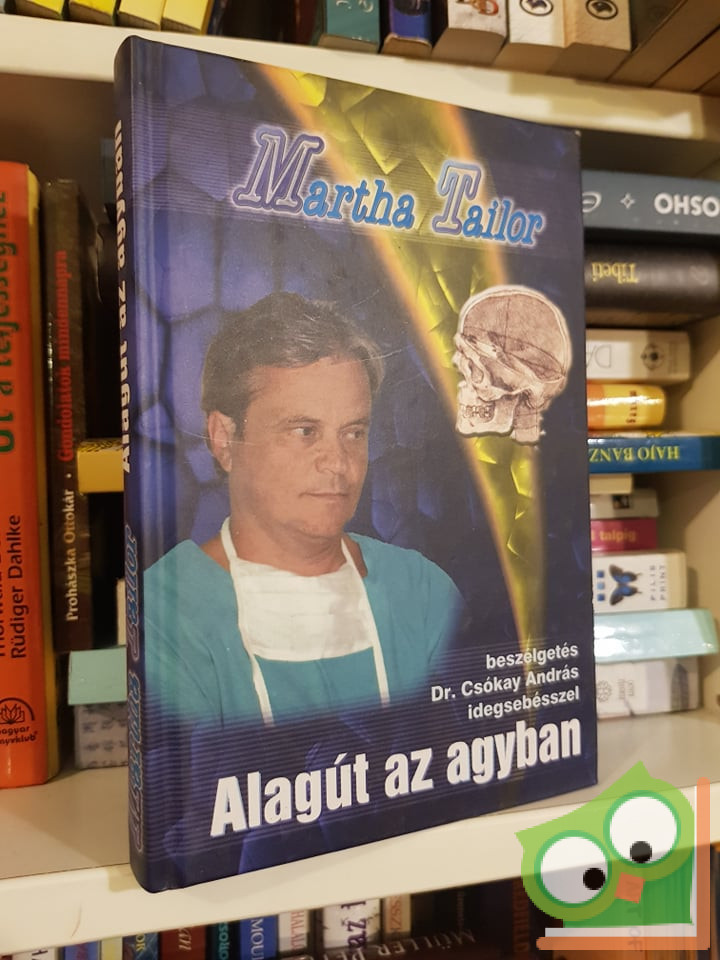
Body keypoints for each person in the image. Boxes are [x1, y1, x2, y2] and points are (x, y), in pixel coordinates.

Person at [143, 291, 464, 726]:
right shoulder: (165, 615)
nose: (338, 463)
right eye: (304, 431)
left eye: (353, 433)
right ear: (224, 439)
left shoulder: (422, 593)